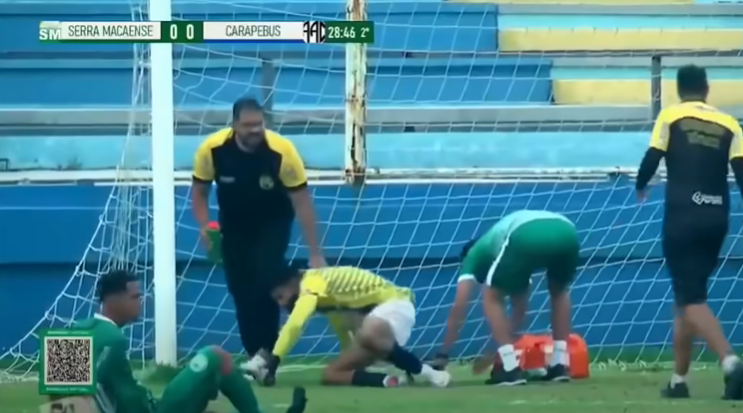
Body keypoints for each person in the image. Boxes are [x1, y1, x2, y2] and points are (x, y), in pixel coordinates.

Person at [191, 97, 327, 373]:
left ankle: (267, 353)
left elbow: (302, 201)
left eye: (259, 124)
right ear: (234, 125)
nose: (254, 130)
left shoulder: (282, 152)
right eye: (247, 125)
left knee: (265, 279)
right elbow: (200, 192)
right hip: (234, 225)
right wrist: (205, 225)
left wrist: (315, 252)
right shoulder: (213, 150)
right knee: (240, 290)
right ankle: (256, 355)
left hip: (273, 223)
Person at [635, 64, 743, 400]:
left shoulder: (670, 115)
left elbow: (654, 155)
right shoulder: (730, 123)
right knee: (687, 296)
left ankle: (731, 363)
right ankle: (679, 381)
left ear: (680, 90)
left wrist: (641, 185)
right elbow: (741, 171)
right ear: (707, 88)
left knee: (691, 296)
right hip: (717, 218)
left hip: (683, 215)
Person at [73, 269, 307, 413]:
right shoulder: (114, 339)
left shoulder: (71, 331)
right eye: (136, 297)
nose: (141, 302)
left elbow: (60, 397)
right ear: (113, 301)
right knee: (216, 356)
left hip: (151, 405)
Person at [430, 210, 580, 386]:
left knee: (490, 295)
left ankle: (510, 369)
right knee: (559, 291)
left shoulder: (474, 254)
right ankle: (558, 365)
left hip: (526, 232)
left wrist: (443, 354)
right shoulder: (509, 258)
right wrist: (495, 352)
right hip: (568, 230)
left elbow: (459, 307)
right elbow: (521, 310)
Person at [254, 265, 451, 388]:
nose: (281, 304)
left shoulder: (311, 283)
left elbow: (296, 323)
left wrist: (276, 358)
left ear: (293, 283)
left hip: (395, 305)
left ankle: (430, 374)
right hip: (375, 325)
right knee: (332, 373)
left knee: (367, 332)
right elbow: (342, 327)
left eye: (281, 296)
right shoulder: (327, 298)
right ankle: (389, 380)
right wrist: (353, 359)